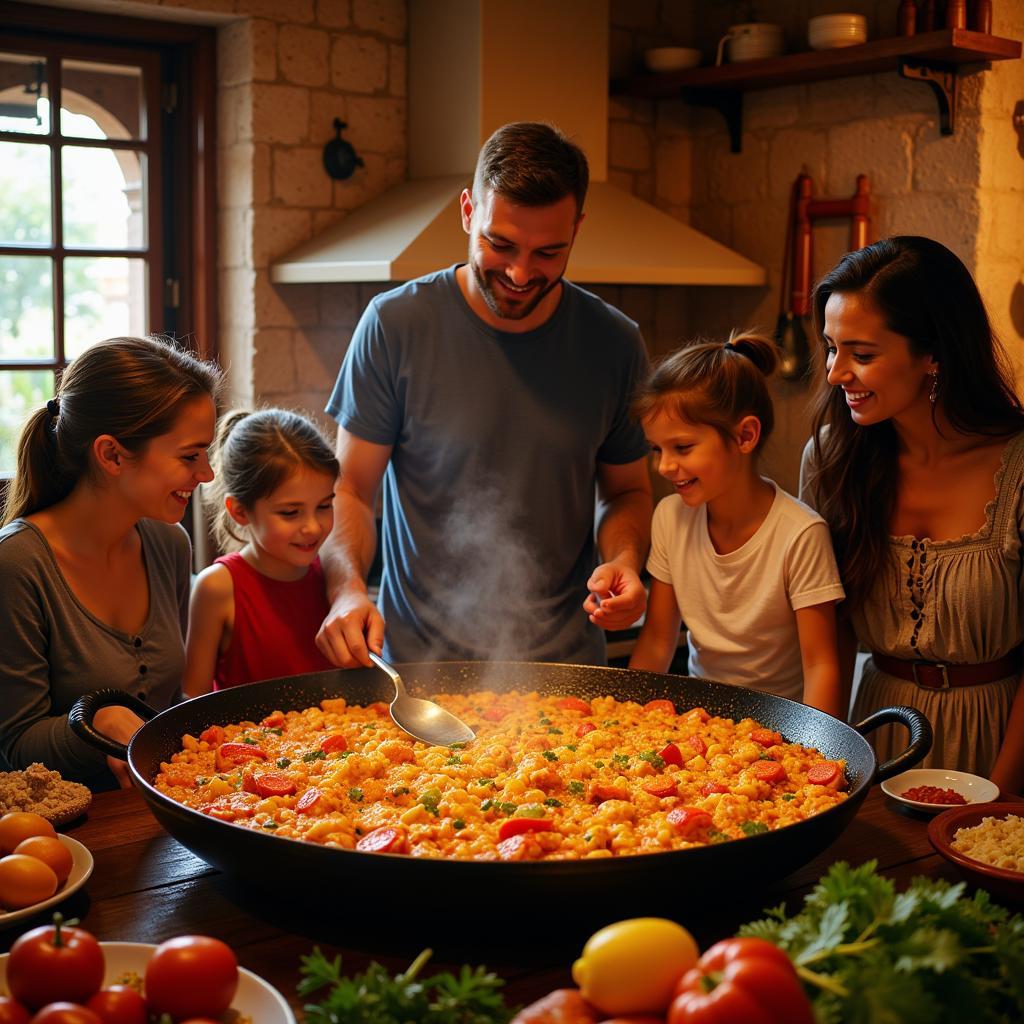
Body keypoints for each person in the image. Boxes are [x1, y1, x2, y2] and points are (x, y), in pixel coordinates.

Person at [317, 121, 653, 667]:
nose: (521, 273)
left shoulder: (615, 342)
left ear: (578, 228)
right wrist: (347, 587)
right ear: (468, 211)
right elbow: (351, 489)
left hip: (568, 675)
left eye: (549, 252)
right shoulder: (395, 325)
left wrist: (625, 560)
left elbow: (627, 493)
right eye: (501, 245)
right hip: (421, 673)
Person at [799, 236, 1024, 793]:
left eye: (863, 354)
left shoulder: (1018, 467)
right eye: (831, 347)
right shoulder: (831, 458)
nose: (835, 373)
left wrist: (998, 795)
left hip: (999, 742)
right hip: (875, 733)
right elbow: (829, 636)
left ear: (933, 354)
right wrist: (825, 771)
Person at [0, 336, 222, 790]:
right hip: (64, 837)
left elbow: (167, 703)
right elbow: (15, 747)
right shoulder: (18, 565)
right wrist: (94, 720)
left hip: (156, 813)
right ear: (112, 455)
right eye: (189, 456)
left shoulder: (169, 544)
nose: (206, 474)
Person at [628, 333, 845, 715]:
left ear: (745, 435)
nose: (663, 466)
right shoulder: (670, 517)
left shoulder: (800, 534)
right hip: (698, 722)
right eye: (656, 449)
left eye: (682, 447)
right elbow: (658, 642)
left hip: (783, 731)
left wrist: (817, 758)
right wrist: (627, 722)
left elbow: (821, 665)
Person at [183, 408, 339, 694]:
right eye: (291, 512)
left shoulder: (332, 572)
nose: (313, 527)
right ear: (240, 511)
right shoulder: (217, 587)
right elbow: (193, 701)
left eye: (324, 506)